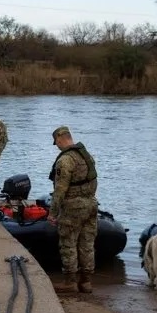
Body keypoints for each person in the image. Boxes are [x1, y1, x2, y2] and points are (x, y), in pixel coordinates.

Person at [48, 125, 98, 293]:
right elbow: (93, 182)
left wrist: (52, 213)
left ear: (60, 139)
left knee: (68, 243)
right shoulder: (87, 156)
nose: (57, 146)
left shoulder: (65, 160)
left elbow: (60, 190)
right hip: (91, 204)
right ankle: (86, 282)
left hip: (72, 207)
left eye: (56, 143)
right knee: (87, 244)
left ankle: (70, 281)